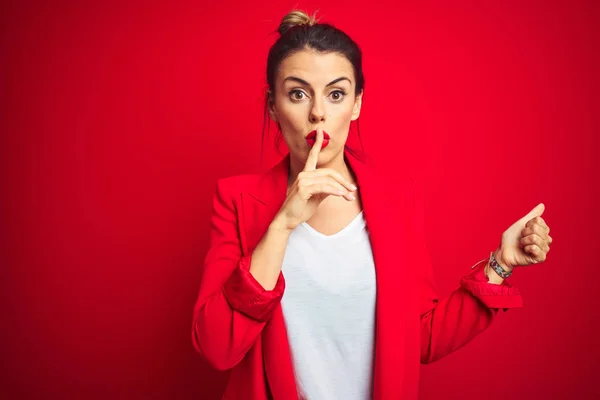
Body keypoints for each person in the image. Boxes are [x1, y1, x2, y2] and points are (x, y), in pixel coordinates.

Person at [191, 9, 553, 400]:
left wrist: (501, 264)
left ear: (357, 104)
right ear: (272, 106)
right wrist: (281, 225)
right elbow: (216, 347)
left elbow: (420, 339)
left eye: (336, 94)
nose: (317, 113)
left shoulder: (397, 199)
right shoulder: (237, 201)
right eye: (297, 93)